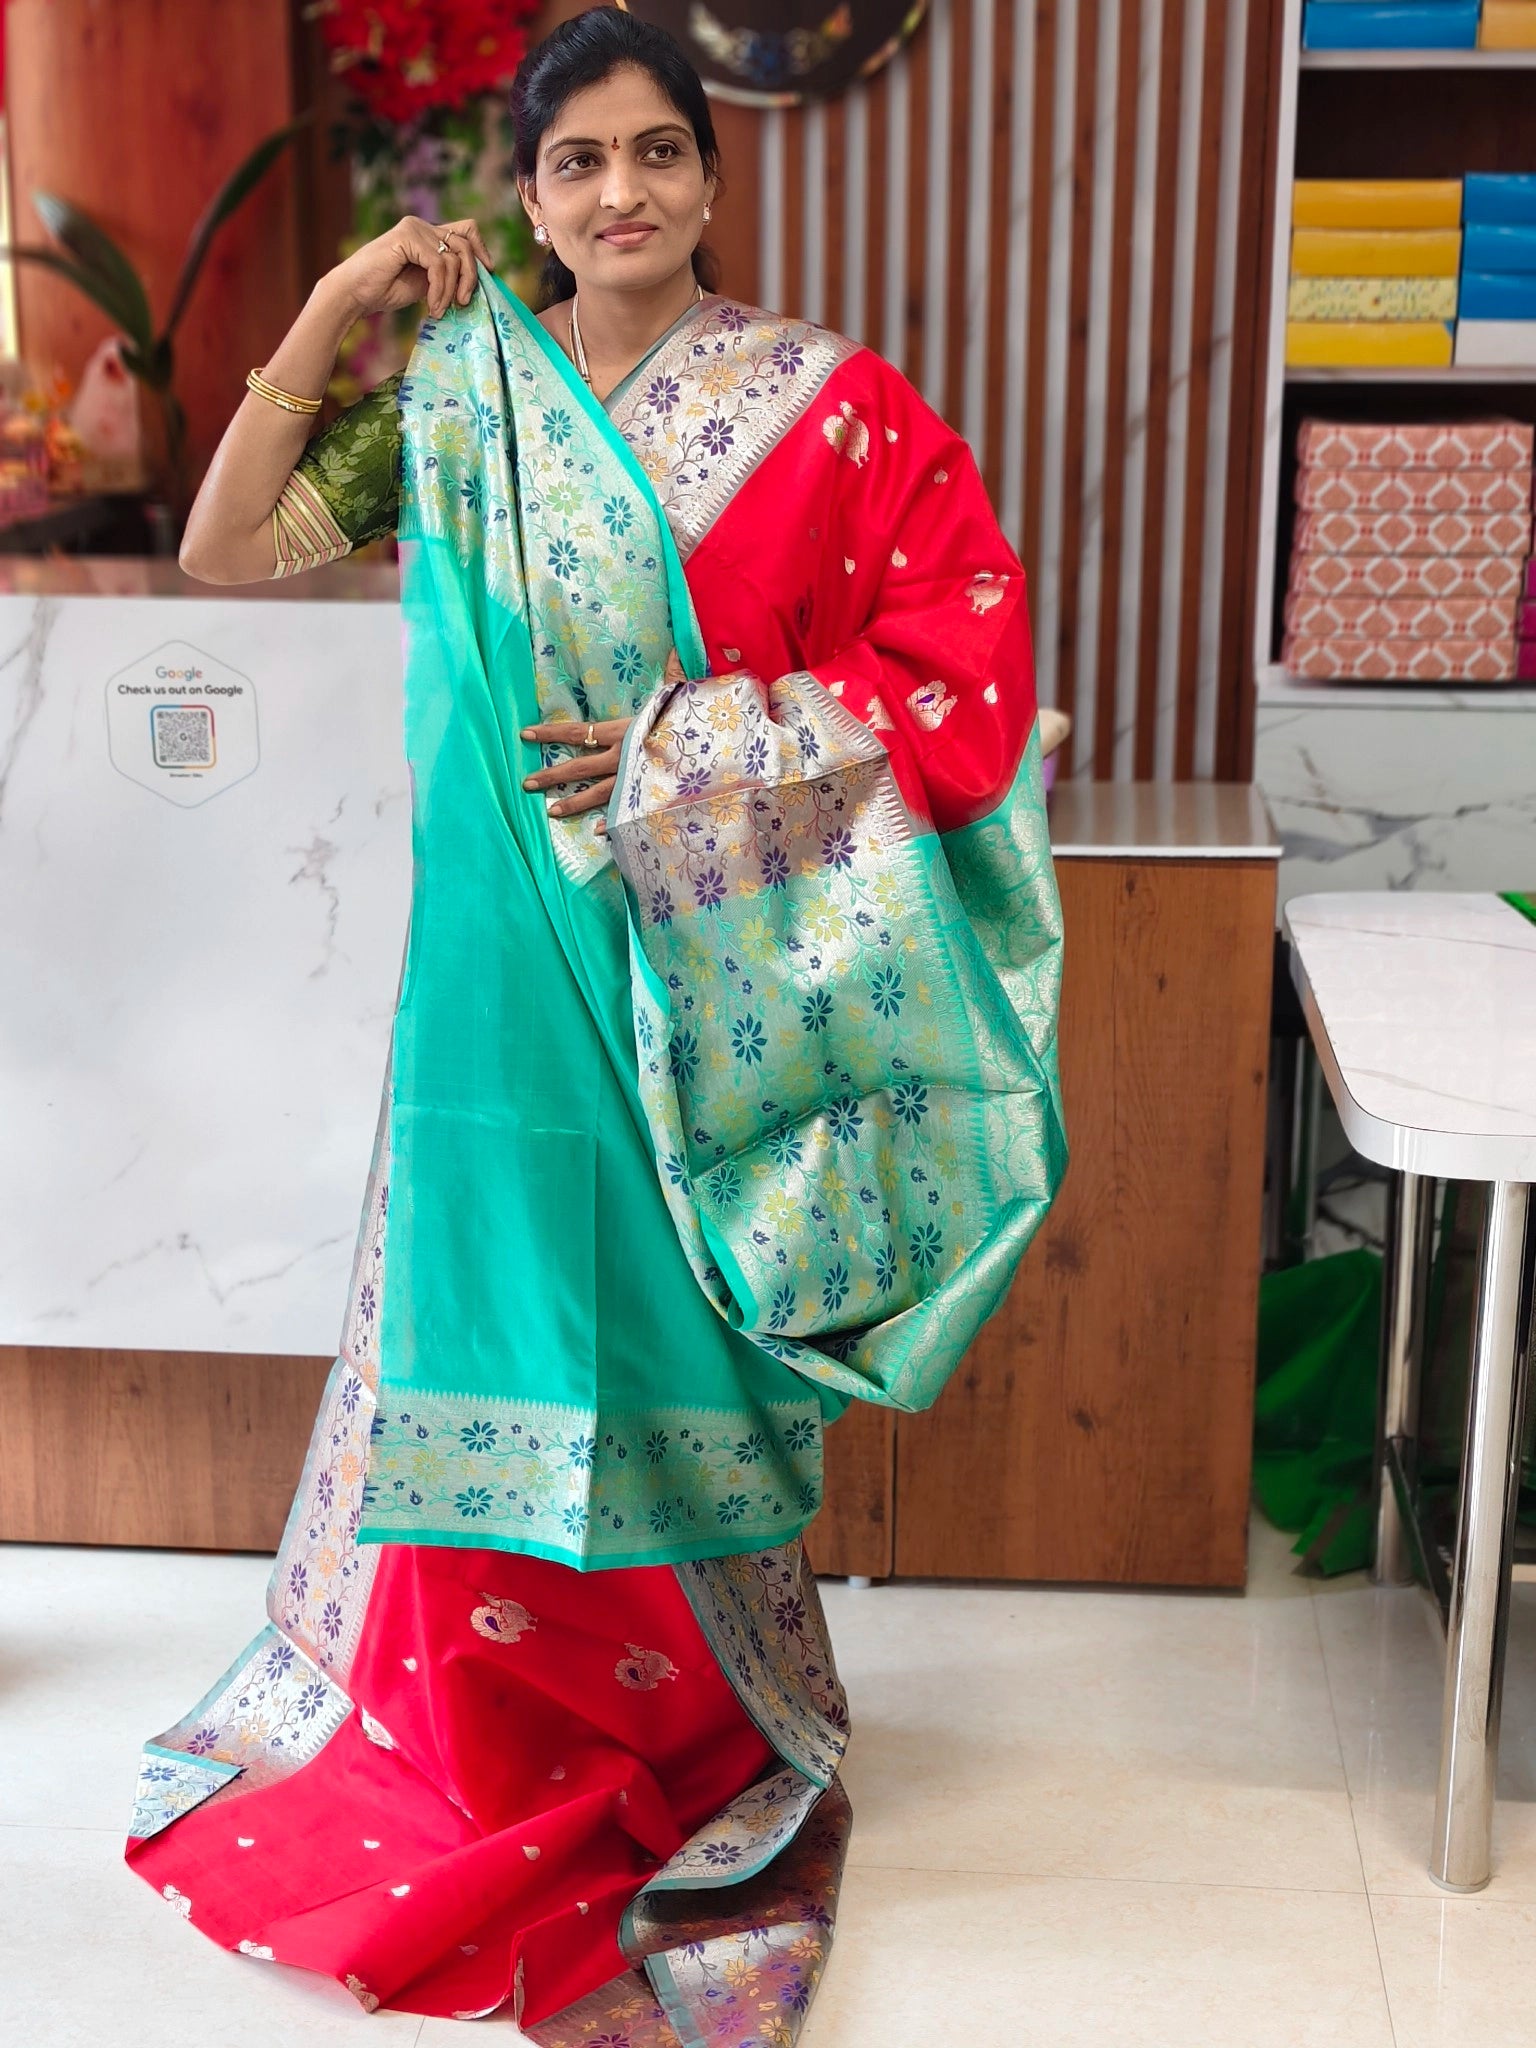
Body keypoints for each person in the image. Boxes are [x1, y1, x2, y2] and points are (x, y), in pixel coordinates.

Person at [130, 8, 1066, 2038]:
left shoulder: (830, 410)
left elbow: (962, 675)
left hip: (714, 974)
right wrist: (337, 306)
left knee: (661, 1338)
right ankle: (467, 1734)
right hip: (492, 974)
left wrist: (687, 742)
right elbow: (225, 541)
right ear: (528, 196)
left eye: (658, 151)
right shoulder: (462, 393)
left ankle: (696, 1731)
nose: (621, 191)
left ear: (711, 179)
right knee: (492, 1319)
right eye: (579, 161)